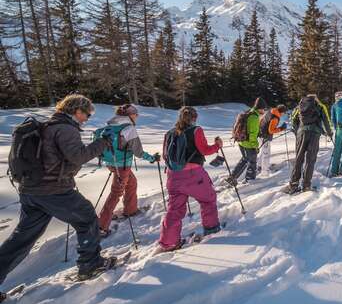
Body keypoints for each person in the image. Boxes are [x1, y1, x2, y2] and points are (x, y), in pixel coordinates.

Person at [0, 94, 114, 290]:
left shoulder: (46, 126)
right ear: (76, 110)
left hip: (31, 191)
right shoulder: (65, 129)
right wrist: (102, 144)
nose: (87, 118)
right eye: (86, 114)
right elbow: (78, 156)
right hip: (53, 190)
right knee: (86, 217)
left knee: (22, 238)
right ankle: (90, 265)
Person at [158, 106, 223, 251]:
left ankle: (168, 243)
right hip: (193, 174)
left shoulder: (169, 133)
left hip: (173, 175)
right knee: (208, 199)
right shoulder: (196, 130)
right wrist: (217, 145)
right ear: (194, 117)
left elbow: (165, 155)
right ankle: (212, 229)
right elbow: (204, 150)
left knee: (174, 210)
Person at [97, 104, 160, 238]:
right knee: (116, 193)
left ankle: (130, 210)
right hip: (122, 165)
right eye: (135, 114)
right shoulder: (128, 128)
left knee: (131, 183)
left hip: (111, 163)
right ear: (128, 115)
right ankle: (101, 227)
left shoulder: (110, 126)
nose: (137, 116)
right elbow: (138, 152)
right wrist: (152, 158)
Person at [283, 94, 333, 193]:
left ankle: (293, 184)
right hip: (314, 134)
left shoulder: (299, 105)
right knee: (310, 159)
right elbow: (327, 121)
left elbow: (293, 120)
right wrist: (329, 133)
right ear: (315, 98)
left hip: (301, 133)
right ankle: (306, 185)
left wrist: (298, 132)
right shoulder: (320, 106)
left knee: (299, 158)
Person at [227, 97, 268, 185]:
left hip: (241, 141)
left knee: (244, 159)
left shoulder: (248, 112)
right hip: (248, 143)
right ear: (260, 108)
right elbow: (252, 135)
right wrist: (255, 146)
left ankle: (232, 177)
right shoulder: (254, 117)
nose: (264, 111)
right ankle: (250, 180)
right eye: (263, 109)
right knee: (252, 162)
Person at [257, 104, 287, 175]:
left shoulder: (270, 111)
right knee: (266, 153)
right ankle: (265, 171)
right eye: (284, 113)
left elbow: (261, 120)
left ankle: (259, 166)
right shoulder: (275, 118)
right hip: (265, 136)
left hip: (260, 133)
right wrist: (281, 128)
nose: (283, 114)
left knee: (263, 151)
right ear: (281, 112)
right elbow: (271, 130)